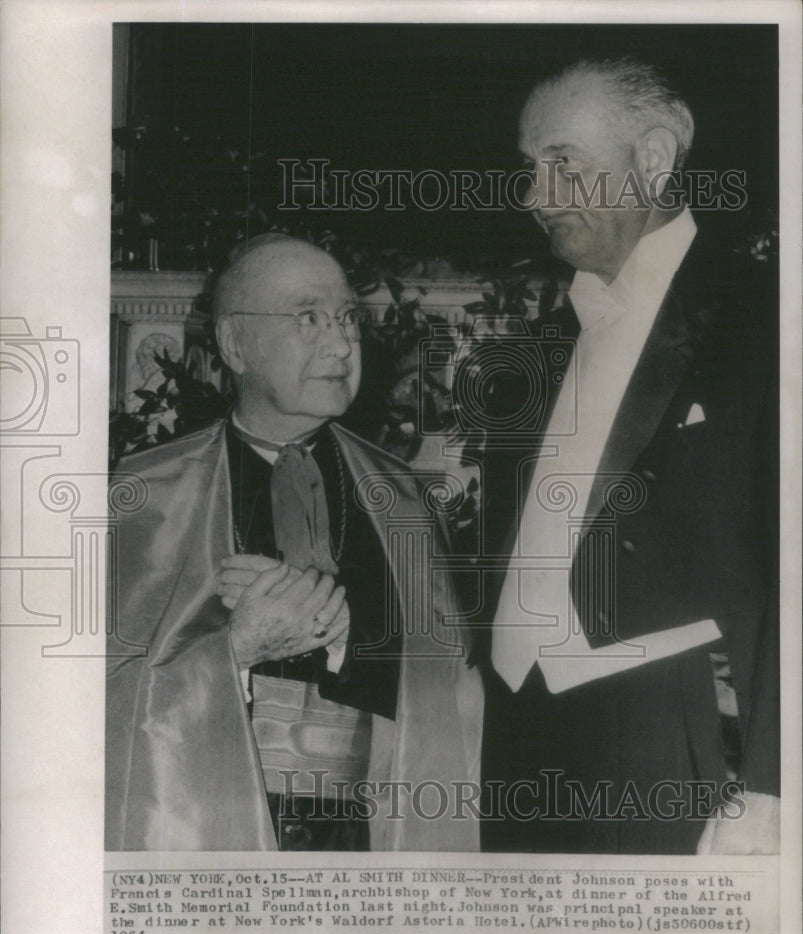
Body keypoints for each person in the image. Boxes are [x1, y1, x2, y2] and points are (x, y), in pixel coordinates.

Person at [482, 57, 778, 854]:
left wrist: (775, 782)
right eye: (528, 169)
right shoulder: (538, 354)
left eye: (561, 164)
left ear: (653, 156)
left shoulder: (764, 318)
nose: (535, 196)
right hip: (519, 748)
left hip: (683, 754)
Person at [106, 233, 483, 852]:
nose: (340, 344)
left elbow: (455, 689)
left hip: (363, 838)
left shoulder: (405, 496)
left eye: (347, 319)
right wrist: (236, 649)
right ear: (234, 344)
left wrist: (343, 639)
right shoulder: (145, 493)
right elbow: (87, 706)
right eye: (308, 318)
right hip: (204, 828)